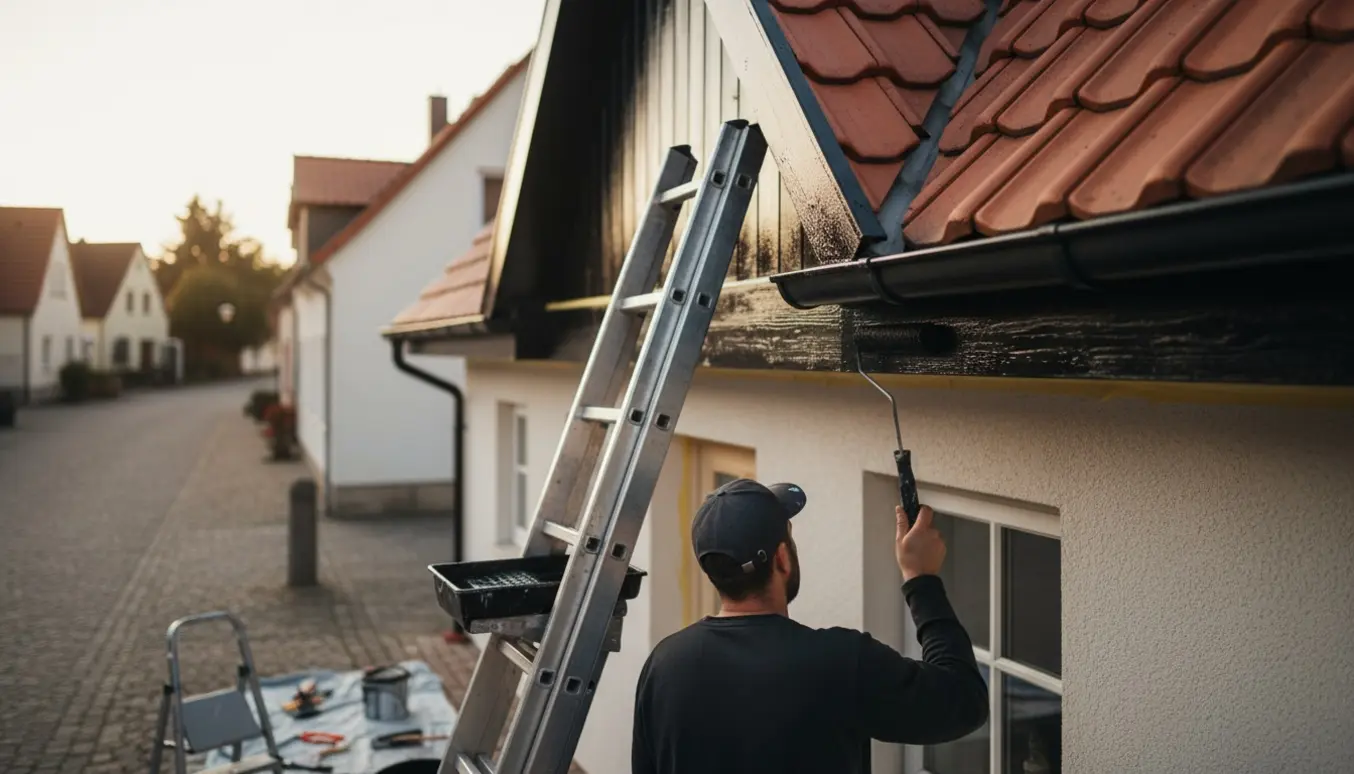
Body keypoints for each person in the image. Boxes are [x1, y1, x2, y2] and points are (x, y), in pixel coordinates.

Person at [631, 477, 989, 774]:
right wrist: (921, 579)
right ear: (782, 558)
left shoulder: (664, 664)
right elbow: (962, 701)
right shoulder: (841, 662)